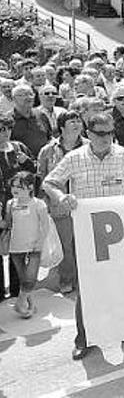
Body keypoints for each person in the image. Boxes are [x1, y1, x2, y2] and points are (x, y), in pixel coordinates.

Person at [42, 112, 124, 360]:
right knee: (87, 288)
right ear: (89, 134)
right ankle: (84, 339)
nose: (106, 138)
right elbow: (49, 183)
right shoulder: (74, 158)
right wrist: (62, 197)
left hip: (118, 233)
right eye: (100, 134)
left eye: (110, 133)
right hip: (86, 233)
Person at [36, 111, 87, 294]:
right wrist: (44, 206)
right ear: (62, 127)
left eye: (78, 120)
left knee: (85, 244)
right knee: (65, 245)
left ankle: (86, 279)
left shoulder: (90, 146)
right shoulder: (48, 150)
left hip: (85, 204)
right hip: (59, 207)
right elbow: (41, 179)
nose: (76, 124)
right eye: (71, 121)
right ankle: (67, 280)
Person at [6, 171, 52, 318]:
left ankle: (20, 304)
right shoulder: (10, 203)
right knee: (24, 280)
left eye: (19, 186)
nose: (15, 189)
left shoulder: (39, 204)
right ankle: (30, 305)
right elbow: (7, 224)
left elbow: (45, 226)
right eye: (13, 186)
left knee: (30, 280)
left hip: (34, 248)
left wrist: (39, 243)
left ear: (31, 187)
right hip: (15, 247)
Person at [0, 114, 36, 301]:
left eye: (7, 128)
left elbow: (33, 173)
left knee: (18, 249)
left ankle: (16, 290)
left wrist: (27, 162)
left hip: (19, 206)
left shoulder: (19, 147)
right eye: (0, 129)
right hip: (1, 207)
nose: (4, 133)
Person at [11, 84, 51, 157]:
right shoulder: (8, 120)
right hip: (21, 164)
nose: (28, 97)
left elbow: (49, 137)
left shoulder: (41, 115)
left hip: (43, 161)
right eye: (23, 95)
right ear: (14, 98)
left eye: (30, 94)